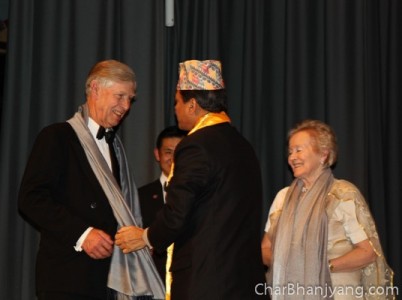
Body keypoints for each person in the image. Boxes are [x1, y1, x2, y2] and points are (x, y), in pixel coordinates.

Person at [115, 59, 267, 299]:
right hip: (245, 284)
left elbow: (177, 214)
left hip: (207, 283)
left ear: (192, 105)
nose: (175, 109)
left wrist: (144, 237)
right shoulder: (243, 146)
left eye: (177, 102)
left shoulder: (196, 145)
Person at [18, 60, 164, 300]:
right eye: (120, 96)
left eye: (130, 99)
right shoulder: (57, 137)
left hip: (110, 282)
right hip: (69, 279)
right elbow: (31, 199)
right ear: (95, 89)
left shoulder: (116, 148)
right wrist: (83, 234)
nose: (125, 106)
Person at [261, 119, 394, 299]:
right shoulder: (282, 198)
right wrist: (287, 266)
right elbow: (265, 248)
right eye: (290, 151)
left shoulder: (343, 194)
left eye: (299, 150)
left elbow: (368, 252)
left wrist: (322, 267)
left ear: (323, 155)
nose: (292, 157)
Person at [138, 125, 187, 283]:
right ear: (157, 154)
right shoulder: (139, 196)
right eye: (168, 152)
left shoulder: (200, 195)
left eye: (179, 152)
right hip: (150, 281)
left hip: (189, 279)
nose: (173, 159)